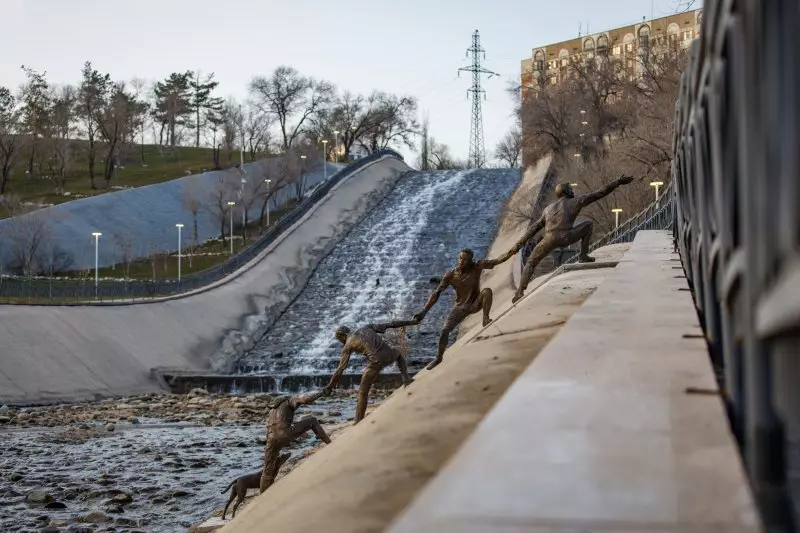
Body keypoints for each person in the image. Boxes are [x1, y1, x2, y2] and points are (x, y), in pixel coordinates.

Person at [507, 175, 635, 304]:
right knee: (588, 224)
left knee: (530, 262)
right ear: (566, 192)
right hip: (566, 236)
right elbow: (599, 193)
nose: (573, 191)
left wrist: (519, 244)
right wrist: (618, 182)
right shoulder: (576, 201)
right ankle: (583, 255)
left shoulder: (547, 209)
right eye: (570, 189)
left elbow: (533, 229)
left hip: (548, 239)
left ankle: (519, 292)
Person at [412, 247, 516, 370]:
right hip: (460, 307)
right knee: (445, 330)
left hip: (475, 303)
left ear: (471, 261)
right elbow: (436, 294)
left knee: (487, 291)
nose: (462, 261)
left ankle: (485, 318)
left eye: (465, 259)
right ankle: (438, 357)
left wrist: (514, 250)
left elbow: (497, 260)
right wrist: (423, 312)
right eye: (460, 258)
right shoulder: (450, 275)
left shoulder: (477, 266)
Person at [324, 319, 417, 424]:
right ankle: (406, 378)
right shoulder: (366, 327)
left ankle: (358, 420)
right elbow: (391, 324)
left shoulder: (347, 345)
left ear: (342, 336)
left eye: (340, 340)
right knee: (398, 353)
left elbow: (340, 369)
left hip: (376, 363)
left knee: (362, 392)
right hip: (389, 355)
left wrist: (330, 385)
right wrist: (412, 322)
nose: (341, 343)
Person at [260, 390, 331, 493]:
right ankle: (330, 444)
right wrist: (322, 392)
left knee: (267, 470)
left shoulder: (273, 409)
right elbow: (306, 399)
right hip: (285, 433)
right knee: (313, 421)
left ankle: (262, 495)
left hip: (271, 438)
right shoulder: (289, 400)